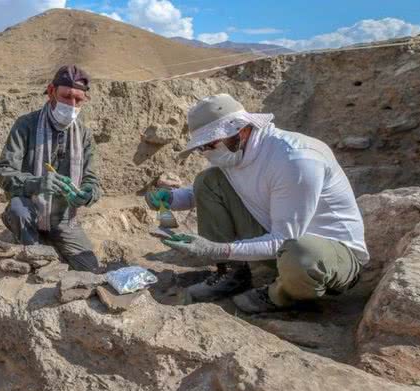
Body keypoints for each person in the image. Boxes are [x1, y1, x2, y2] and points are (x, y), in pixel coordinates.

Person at [146, 93, 368, 313]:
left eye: (210, 144)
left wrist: (216, 249)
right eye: (201, 147)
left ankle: (280, 295)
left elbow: (284, 239)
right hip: (280, 248)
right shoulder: (237, 152)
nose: (205, 152)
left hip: (327, 262)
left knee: (301, 253)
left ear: (240, 130)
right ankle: (232, 275)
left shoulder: (295, 160)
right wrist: (171, 199)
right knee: (209, 180)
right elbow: (206, 192)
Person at [0, 64, 102, 272]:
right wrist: (37, 183)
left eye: (78, 100)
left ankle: (47, 239)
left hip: (63, 218)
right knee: (21, 217)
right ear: (51, 91)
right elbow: (3, 171)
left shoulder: (84, 135)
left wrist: (88, 193)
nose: (72, 105)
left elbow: (92, 180)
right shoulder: (26, 125)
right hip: (29, 209)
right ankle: (29, 242)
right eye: (66, 96)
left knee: (89, 267)